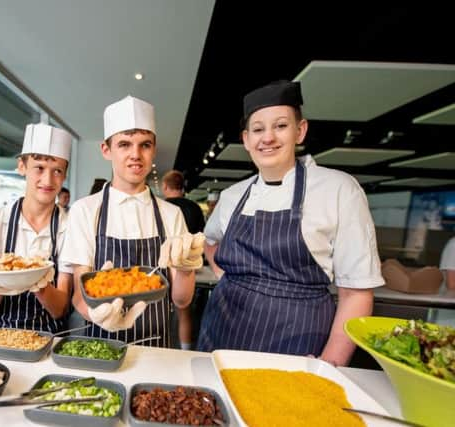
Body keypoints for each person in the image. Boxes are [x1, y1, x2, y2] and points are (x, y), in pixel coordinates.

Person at [198, 81, 383, 366]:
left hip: (296, 337)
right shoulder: (232, 196)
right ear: (246, 139)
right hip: (222, 329)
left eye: (280, 126)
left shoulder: (339, 189)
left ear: (300, 130)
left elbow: (356, 292)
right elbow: (210, 242)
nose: (268, 137)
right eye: (258, 129)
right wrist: (226, 276)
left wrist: (329, 364)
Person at [61, 95, 204, 347]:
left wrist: (185, 268)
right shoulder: (85, 210)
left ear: (154, 149)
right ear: (107, 150)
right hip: (100, 344)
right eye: (125, 144)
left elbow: (181, 301)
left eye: (145, 145)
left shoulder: (171, 215)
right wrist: (99, 315)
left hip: (157, 346)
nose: (135, 155)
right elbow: (79, 296)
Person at [0, 123, 74, 331]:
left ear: (65, 174)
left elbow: (60, 309)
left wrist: (38, 282)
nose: (48, 180)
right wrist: (1, 276)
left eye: (57, 170)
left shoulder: (70, 226)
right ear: (22, 167)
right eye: (39, 168)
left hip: (48, 337)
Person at [161, 169, 206, 350]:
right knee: (184, 311)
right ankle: (185, 352)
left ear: (165, 187)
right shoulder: (194, 207)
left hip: (163, 266)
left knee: (160, 311)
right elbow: (202, 236)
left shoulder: (162, 208)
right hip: (187, 265)